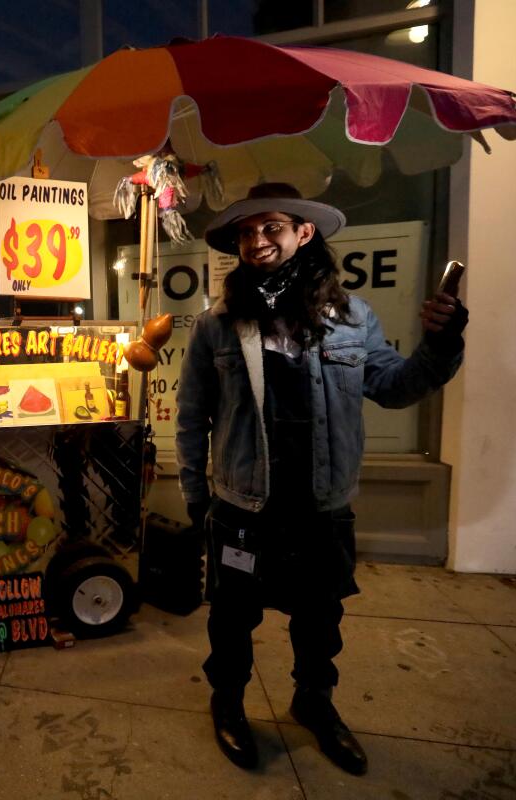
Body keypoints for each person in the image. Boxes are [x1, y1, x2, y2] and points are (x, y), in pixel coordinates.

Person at [176, 183, 467, 776]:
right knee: (232, 618)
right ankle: (228, 702)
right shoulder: (218, 325)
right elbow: (191, 416)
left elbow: (395, 386)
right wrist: (195, 496)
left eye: (271, 228)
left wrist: (442, 342)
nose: (257, 241)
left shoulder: (351, 317)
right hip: (242, 505)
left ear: (303, 232)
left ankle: (314, 703)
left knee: (319, 618)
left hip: (320, 505)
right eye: (246, 232)